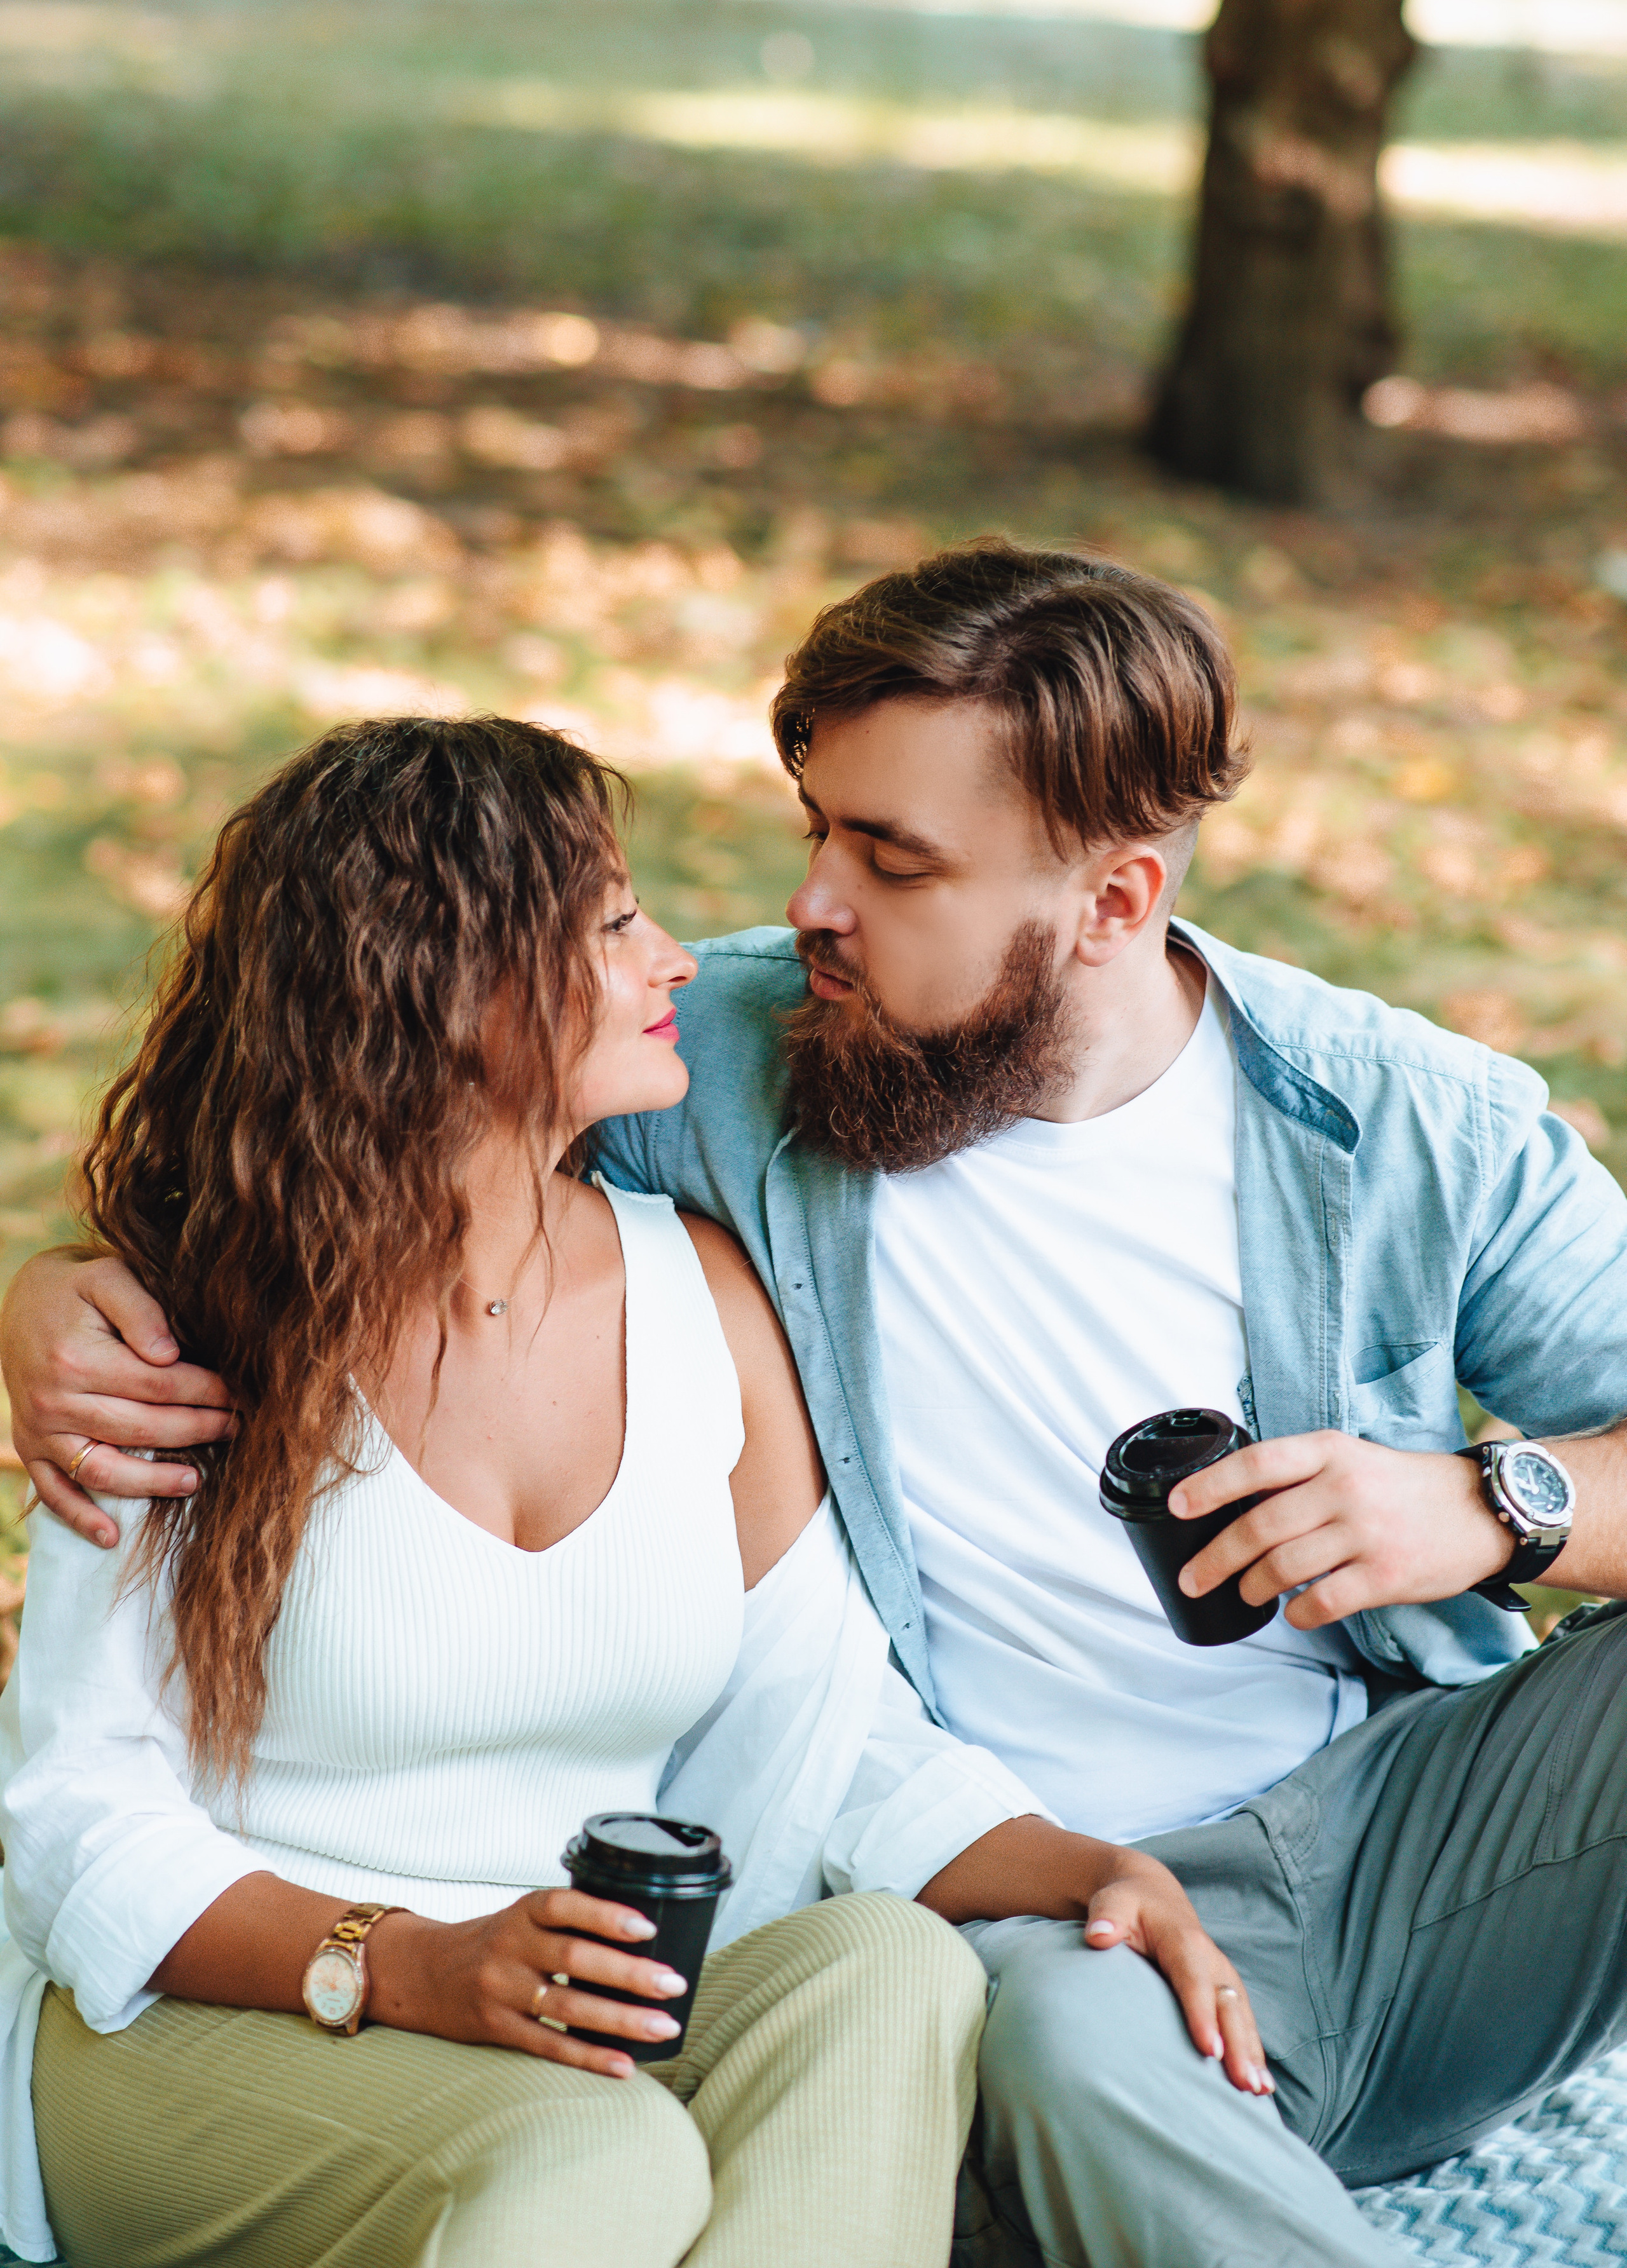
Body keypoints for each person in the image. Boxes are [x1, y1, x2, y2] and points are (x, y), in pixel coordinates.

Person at [13, 545, 1627, 2267]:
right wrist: (50, 1298)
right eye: (818, 827)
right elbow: (337, 1108)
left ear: (1115, 896)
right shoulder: (715, 1066)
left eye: (894, 857)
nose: (802, 910)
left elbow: (820, 1702)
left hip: (1387, 1836)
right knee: (949, 2021)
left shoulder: (1403, 1123)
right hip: (1026, 1933)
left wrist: (1498, 1507)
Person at [0, 712, 1270, 2268]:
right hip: (212, 2018)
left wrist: (1092, 1866)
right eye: (613, 922)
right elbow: (74, 1816)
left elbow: (827, 1724)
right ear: (448, 984)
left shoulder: (700, 1300)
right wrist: (410, 1965)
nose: (675, 956)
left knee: (887, 1967)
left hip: (559, 2013)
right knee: (598, 2154)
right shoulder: (174, 1335)